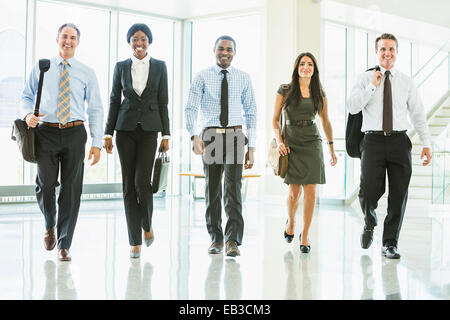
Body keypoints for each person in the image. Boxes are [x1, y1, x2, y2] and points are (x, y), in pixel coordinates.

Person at [21, 23, 104, 261]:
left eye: (73, 38)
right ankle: (50, 224)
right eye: (65, 36)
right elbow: (26, 96)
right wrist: (28, 115)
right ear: (57, 39)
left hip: (75, 133)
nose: (68, 41)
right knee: (45, 185)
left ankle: (64, 243)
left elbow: (96, 108)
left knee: (71, 190)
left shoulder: (86, 72)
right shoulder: (42, 67)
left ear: (78, 42)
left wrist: (97, 143)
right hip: (46, 132)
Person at [347, 33, 432, 259]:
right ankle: (369, 221)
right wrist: (372, 87)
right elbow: (353, 107)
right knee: (368, 190)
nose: (387, 53)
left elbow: (418, 113)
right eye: (383, 49)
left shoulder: (406, 81)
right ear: (376, 51)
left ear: (396, 52)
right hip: (372, 141)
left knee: (399, 194)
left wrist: (426, 143)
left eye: (391, 49)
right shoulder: (365, 78)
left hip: (399, 141)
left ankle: (390, 242)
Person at [185, 35, 257, 257]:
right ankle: (215, 238)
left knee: (233, 190)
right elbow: (191, 108)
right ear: (213, 50)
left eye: (229, 49)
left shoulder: (243, 78)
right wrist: (193, 135)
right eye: (221, 49)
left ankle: (232, 240)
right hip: (211, 137)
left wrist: (252, 147)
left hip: (236, 136)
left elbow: (252, 111)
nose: (225, 53)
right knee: (213, 189)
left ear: (234, 52)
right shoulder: (202, 77)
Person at [103, 23, 170, 259]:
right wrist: (108, 133)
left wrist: (167, 135)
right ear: (129, 42)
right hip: (125, 130)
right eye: (134, 39)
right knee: (128, 186)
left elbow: (163, 102)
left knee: (143, 183)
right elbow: (113, 100)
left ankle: (147, 224)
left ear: (149, 41)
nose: (138, 42)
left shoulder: (160, 67)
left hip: (150, 130)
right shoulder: (121, 67)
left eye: (142, 38)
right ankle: (135, 240)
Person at [273, 52, 337, 254]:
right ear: (296, 67)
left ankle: (306, 235)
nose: (306, 67)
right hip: (292, 143)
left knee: (310, 191)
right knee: (294, 193)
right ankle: (291, 222)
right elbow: (274, 120)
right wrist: (280, 142)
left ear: (314, 69)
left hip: (312, 142)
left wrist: (331, 147)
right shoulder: (285, 89)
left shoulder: (319, 91)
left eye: (310, 64)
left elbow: (325, 121)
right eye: (302, 64)